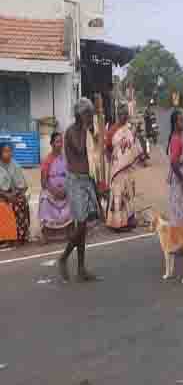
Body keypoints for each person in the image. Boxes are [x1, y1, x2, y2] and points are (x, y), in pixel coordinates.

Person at [58, 97, 102, 282]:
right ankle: (64, 257)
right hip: (75, 181)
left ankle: (81, 268)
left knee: (83, 226)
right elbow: (78, 148)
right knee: (82, 223)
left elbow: (94, 151)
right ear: (79, 115)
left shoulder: (85, 131)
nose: (90, 117)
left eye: (90, 114)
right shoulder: (71, 132)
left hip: (86, 179)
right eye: (87, 114)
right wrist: (87, 128)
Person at [105, 102, 143, 231]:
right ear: (118, 115)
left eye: (126, 114)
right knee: (118, 195)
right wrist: (114, 162)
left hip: (128, 169)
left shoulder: (128, 129)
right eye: (122, 114)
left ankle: (128, 220)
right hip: (117, 170)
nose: (124, 117)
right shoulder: (112, 130)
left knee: (128, 195)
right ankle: (117, 223)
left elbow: (133, 146)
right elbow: (108, 149)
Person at [38, 131, 73, 239]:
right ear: (52, 143)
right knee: (44, 198)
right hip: (51, 191)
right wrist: (54, 191)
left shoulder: (66, 159)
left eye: (61, 142)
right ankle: (47, 233)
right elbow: (43, 182)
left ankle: (70, 230)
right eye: (57, 142)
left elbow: (70, 177)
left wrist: (65, 189)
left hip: (65, 190)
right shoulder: (47, 160)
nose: (60, 144)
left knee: (75, 195)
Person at [0, 142, 30, 246]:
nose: (8, 153)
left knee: (21, 202)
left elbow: (23, 186)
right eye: (5, 151)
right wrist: (5, 195)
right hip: (2, 195)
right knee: (3, 205)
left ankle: (19, 236)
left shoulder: (16, 166)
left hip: (14, 193)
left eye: (9, 151)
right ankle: (5, 238)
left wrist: (14, 194)